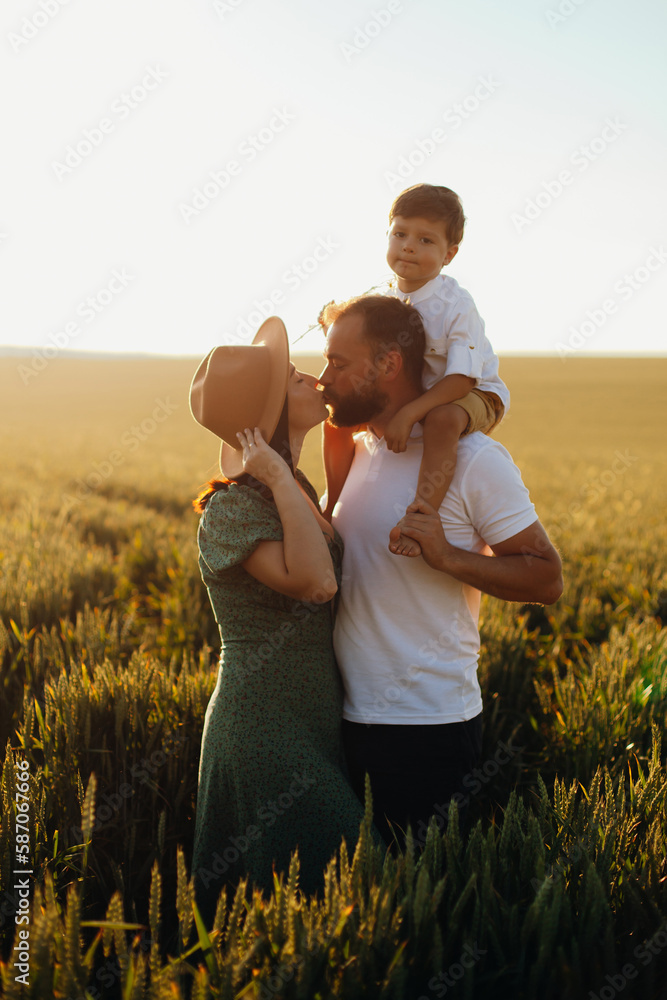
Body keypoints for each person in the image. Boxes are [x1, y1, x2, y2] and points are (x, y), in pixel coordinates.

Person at [318, 294, 563, 847]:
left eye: (338, 362)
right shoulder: (358, 451)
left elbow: (547, 578)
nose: (323, 377)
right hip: (342, 720)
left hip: (425, 728)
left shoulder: (475, 461)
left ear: (388, 364)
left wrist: (448, 556)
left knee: (416, 902)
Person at [188, 317, 367, 921]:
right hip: (261, 724)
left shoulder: (292, 487)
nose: (315, 377)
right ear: (266, 412)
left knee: (314, 907)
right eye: (295, 377)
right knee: (353, 878)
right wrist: (269, 473)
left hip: (311, 715)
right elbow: (316, 583)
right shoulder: (233, 508)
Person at [322, 183, 509, 559]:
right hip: (421, 394)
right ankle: (331, 508)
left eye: (426, 240)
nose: (408, 246)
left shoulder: (456, 303)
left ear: (449, 254)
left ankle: (421, 517)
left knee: (440, 420)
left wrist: (410, 412)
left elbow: (461, 378)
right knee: (337, 419)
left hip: (471, 393)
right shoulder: (387, 299)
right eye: (400, 234)